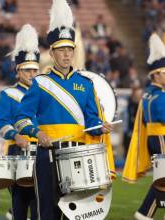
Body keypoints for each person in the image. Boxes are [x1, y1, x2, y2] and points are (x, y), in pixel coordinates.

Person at [13, 0, 115, 219]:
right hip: (47, 154)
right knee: (47, 212)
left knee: (76, 214)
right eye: (62, 50)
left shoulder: (86, 83)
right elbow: (21, 118)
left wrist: (101, 127)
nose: (67, 54)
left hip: (77, 154)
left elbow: (91, 121)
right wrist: (37, 133)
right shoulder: (40, 83)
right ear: (52, 52)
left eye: (70, 49)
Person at [0, 24, 40, 220]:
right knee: (20, 203)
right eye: (27, 70)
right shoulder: (9, 94)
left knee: (41, 204)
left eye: (34, 70)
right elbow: (1, 123)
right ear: (18, 71)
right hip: (17, 152)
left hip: (43, 152)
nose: (32, 74)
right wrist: (15, 135)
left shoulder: (43, 94)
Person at [122, 33, 165, 220]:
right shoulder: (158, 95)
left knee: (162, 180)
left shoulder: (149, 93)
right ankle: (143, 213)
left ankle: (144, 213)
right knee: (162, 181)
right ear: (155, 74)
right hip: (161, 138)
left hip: (156, 138)